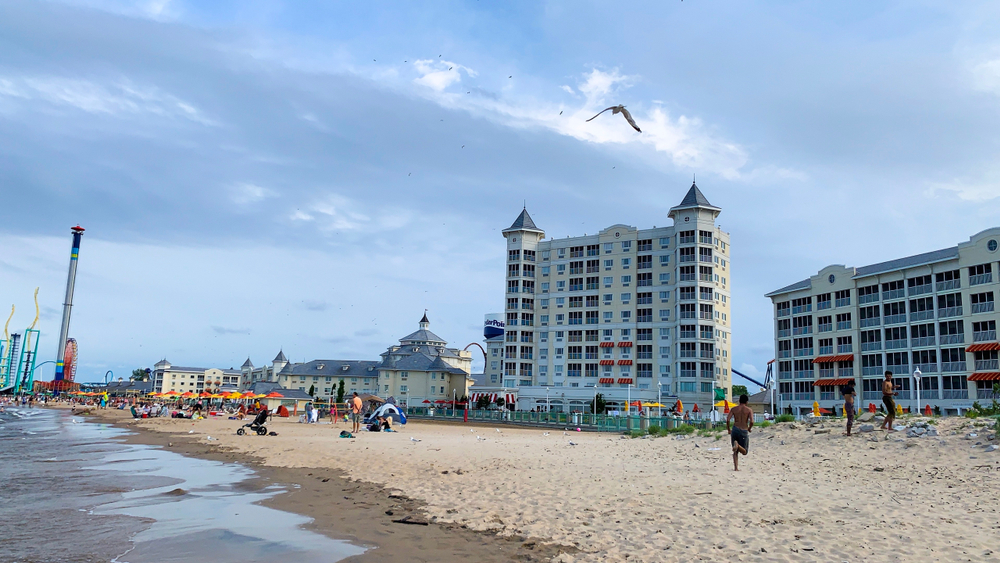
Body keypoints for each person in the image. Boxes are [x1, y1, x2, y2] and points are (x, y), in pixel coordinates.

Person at [726, 394, 754, 472]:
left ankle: (736, 468)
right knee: (744, 451)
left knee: (735, 451)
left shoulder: (734, 409)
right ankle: (738, 446)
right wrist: (749, 428)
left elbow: (728, 420)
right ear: (747, 402)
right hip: (744, 430)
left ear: (739, 401)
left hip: (735, 429)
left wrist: (728, 429)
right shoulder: (749, 410)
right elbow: (752, 421)